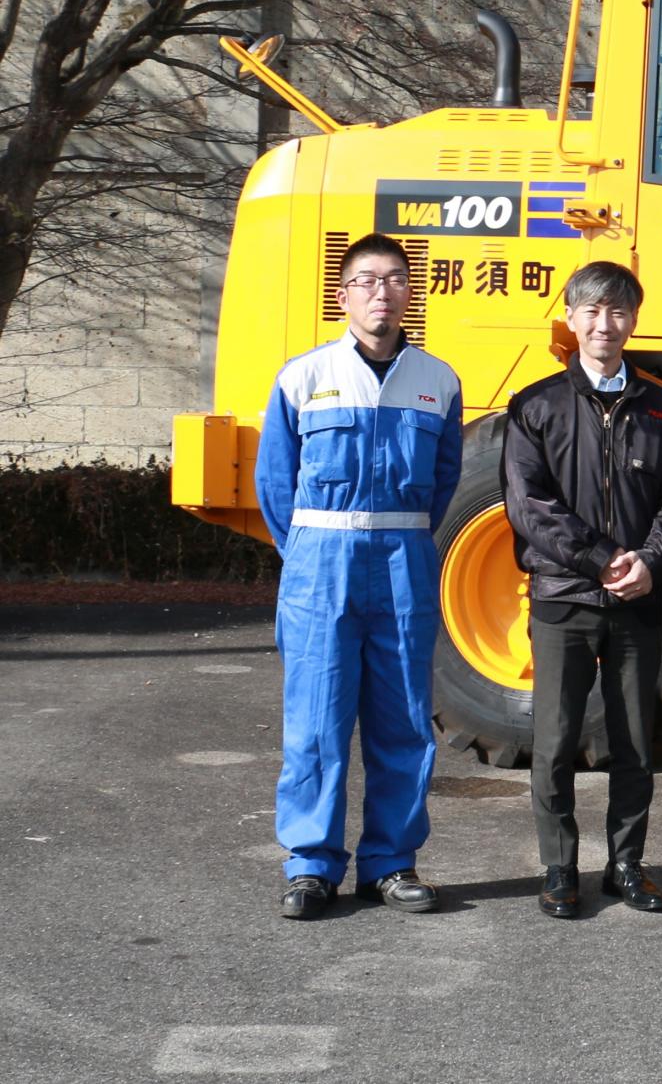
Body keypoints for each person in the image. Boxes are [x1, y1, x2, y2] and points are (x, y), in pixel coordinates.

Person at [255, 233, 462, 920]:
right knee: (316, 724)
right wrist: (310, 554)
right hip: (321, 569)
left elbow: (443, 481)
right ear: (343, 295)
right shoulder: (303, 376)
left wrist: (394, 536)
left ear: (410, 294)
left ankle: (390, 864)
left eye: (396, 279)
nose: (382, 292)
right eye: (368, 280)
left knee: (404, 723)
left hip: (403, 564)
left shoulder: (439, 382)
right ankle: (310, 866)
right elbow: (275, 486)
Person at [501, 262, 662, 919]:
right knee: (556, 738)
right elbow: (529, 504)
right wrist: (600, 559)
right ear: (569, 316)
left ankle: (626, 864)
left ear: (634, 320)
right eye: (591, 310)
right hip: (563, 595)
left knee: (635, 741)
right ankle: (559, 867)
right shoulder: (536, 405)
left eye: (617, 310)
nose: (604, 323)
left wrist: (651, 560)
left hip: (638, 598)